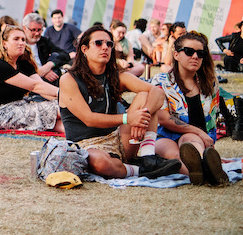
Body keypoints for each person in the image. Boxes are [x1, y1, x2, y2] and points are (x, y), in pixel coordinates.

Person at [58, 26, 183, 179]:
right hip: (85, 145)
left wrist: (143, 116)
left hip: (119, 139)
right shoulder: (69, 79)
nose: (105, 47)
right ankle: (140, 170)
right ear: (84, 49)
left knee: (145, 95)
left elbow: (157, 92)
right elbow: (88, 119)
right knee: (100, 163)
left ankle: (148, 157)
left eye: (109, 44)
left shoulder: (116, 75)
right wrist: (128, 118)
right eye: (98, 43)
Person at [151, 32, 227, 185]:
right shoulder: (162, 81)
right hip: (165, 135)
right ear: (176, 55)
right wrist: (198, 131)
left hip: (198, 138)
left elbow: (213, 119)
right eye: (189, 51)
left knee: (189, 141)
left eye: (200, 53)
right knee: (174, 156)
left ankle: (203, 170)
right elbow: (163, 118)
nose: (195, 56)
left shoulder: (210, 83)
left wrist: (201, 134)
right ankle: (209, 174)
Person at [0, 26, 62, 132]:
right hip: (2, 115)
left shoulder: (23, 63)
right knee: (62, 108)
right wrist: (65, 95)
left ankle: (84, 131)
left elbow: (42, 87)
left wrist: (64, 100)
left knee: (63, 111)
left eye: (23, 39)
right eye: (16, 39)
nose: (21, 43)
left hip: (22, 107)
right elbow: (35, 87)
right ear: (4, 43)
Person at [22, 13, 69, 84]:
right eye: (33, 30)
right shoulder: (20, 44)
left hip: (47, 77)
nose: (37, 33)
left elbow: (64, 55)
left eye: (39, 30)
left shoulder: (43, 41)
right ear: (25, 28)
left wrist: (49, 65)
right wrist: (39, 72)